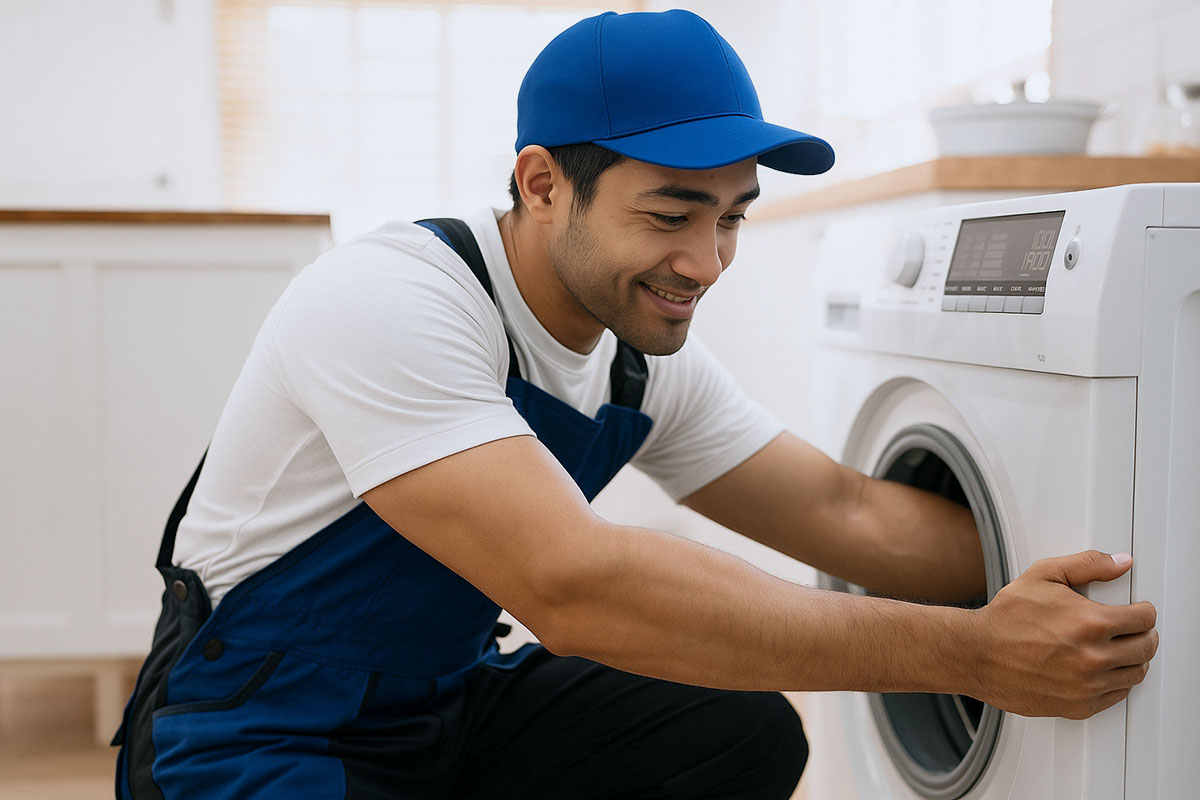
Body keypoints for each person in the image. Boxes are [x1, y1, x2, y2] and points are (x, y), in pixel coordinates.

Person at [113, 9, 1159, 799]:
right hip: (251, 735)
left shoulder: (633, 356)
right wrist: (971, 651)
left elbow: (847, 513)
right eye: (671, 212)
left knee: (741, 734)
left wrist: (1116, 569)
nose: (705, 263)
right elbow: (577, 586)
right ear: (542, 184)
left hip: (438, 706)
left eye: (733, 218)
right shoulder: (390, 299)